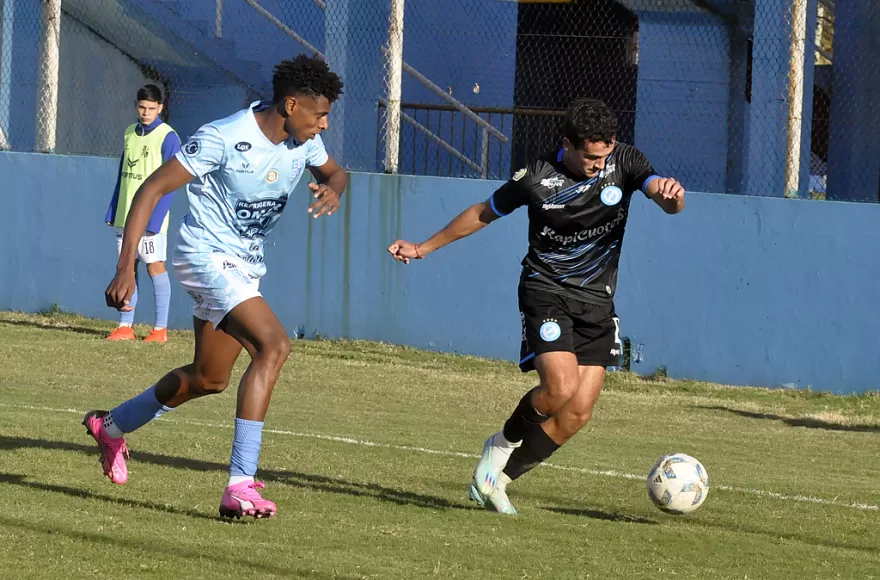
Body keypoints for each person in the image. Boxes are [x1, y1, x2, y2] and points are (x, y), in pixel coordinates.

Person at [387, 98, 685, 515]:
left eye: (604, 156)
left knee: (577, 413)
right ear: (569, 144)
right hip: (546, 291)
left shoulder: (626, 160)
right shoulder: (537, 176)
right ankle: (500, 445)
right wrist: (423, 247)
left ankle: (497, 481)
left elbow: (663, 198)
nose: (599, 165)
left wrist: (672, 196)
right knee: (559, 388)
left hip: (598, 302)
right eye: (591, 158)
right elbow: (482, 212)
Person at [84, 54, 346, 520]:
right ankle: (240, 486)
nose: (324, 124)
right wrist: (126, 267)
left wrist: (335, 189)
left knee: (210, 378)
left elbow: (335, 172)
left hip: (245, 265)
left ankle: (111, 426)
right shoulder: (223, 137)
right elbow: (150, 189)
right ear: (291, 105)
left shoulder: (304, 141)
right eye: (320, 114)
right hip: (203, 255)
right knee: (274, 346)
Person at [105, 84, 181, 343]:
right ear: (136, 106)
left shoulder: (168, 137)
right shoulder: (129, 132)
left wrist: (156, 219)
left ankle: (160, 330)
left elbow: (171, 182)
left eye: (151, 108)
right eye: (142, 107)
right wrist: (113, 208)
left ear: (160, 107)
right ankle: (125, 326)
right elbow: (122, 174)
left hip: (151, 218)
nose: (146, 112)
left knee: (155, 267)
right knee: (128, 266)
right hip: (125, 215)